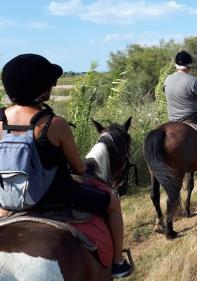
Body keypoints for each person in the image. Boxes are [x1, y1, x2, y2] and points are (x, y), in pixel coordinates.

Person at [0, 54, 132, 278]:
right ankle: (118, 262)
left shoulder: (1, 120)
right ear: (43, 90)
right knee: (112, 203)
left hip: (9, 197)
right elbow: (79, 169)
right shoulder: (53, 123)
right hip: (57, 194)